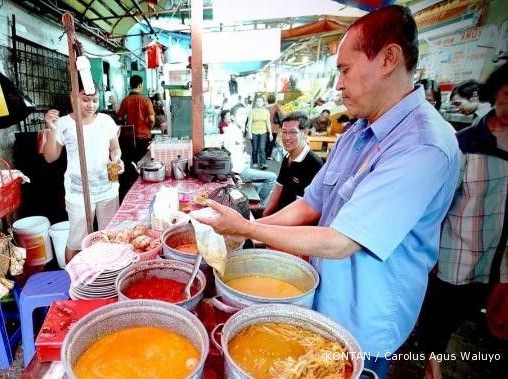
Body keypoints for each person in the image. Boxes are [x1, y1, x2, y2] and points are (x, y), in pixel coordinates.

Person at [195, 6, 460, 378]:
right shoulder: (356, 133)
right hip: (321, 300)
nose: (338, 84)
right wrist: (248, 226)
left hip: (365, 323)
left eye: (344, 70)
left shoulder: (423, 146)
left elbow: (342, 241)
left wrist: (249, 230)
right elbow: (310, 203)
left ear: (388, 59)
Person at [418, 63, 508, 379]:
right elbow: (435, 205)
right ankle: (433, 369)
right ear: (494, 93)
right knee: (438, 323)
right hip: (455, 257)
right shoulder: (464, 145)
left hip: (497, 264)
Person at [43, 82, 124, 263]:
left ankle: (106, 273)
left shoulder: (105, 121)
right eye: (85, 100)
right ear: (73, 98)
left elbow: (114, 148)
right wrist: (51, 129)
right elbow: (50, 157)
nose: (91, 105)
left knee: (109, 235)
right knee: (76, 240)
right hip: (78, 192)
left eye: (95, 100)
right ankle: (72, 282)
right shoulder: (64, 123)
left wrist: (116, 159)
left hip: (107, 188)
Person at [263, 112, 323, 217]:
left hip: (293, 222)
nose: (286, 137)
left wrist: (265, 224)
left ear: (305, 132)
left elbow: (300, 209)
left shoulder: (313, 163)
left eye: (292, 132)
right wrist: (265, 214)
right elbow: (278, 187)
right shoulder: (288, 156)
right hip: (279, 214)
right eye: (284, 132)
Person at [223, 103, 277, 206]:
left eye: (245, 114)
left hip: (240, 169)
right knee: (272, 177)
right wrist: (235, 175)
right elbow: (229, 154)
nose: (244, 117)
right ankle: (259, 204)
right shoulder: (232, 132)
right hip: (239, 172)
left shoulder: (236, 129)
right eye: (241, 114)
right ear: (233, 117)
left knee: (260, 184)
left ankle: (257, 201)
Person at [112, 75, 155, 161]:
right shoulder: (146, 100)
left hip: (130, 137)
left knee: (132, 161)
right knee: (143, 161)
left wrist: (114, 103)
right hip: (144, 136)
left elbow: (119, 115)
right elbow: (152, 119)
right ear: (139, 85)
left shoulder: (126, 100)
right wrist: (150, 127)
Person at [247, 95, 273, 169]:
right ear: (256, 102)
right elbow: (249, 123)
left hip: (263, 132)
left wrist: (270, 133)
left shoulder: (266, 111)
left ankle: (263, 163)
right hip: (254, 132)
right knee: (255, 148)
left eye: (260, 101)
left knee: (262, 148)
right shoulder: (252, 111)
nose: (259, 103)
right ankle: (255, 161)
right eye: (257, 101)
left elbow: (268, 122)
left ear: (263, 102)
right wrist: (249, 133)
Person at [265, 94, 282, 159]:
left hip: (266, 127)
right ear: (274, 100)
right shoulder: (276, 106)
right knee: (272, 141)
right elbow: (282, 114)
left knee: (266, 141)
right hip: (275, 127)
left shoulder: (265, 107)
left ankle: (265, 154)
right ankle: (269, 155)